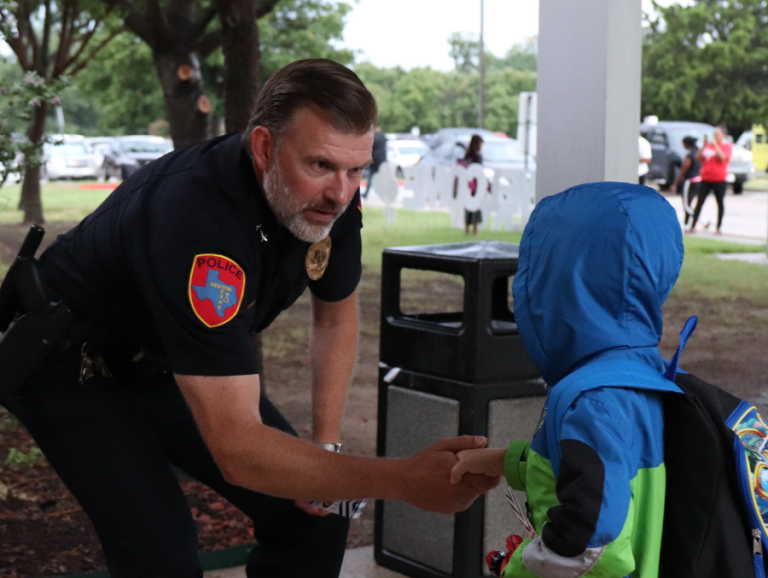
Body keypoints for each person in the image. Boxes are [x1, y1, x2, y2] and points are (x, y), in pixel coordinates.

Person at [0, 59, 498, 578]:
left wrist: (327, 452)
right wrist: (399, 480)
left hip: (169, 358)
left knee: (317, 517)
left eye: (358, 169)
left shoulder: (335, 202)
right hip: (70, 363)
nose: (342, 193)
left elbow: (335, 316)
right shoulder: (197, 220)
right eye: (321, 166)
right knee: (161, 550)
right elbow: (238, 447)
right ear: (264, 148)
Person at [450, 182, 683, 577]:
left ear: (554, 279)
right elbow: (597, 468)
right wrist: (501, 462)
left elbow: (594, 543)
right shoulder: (643, 374)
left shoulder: (595, 400)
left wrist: (518, 567)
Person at [688, 125, 732, 234]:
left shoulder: (726, 146)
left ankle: (719, 227)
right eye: (714, 134)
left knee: (720, 203)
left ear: (723, 135)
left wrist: (716, 145)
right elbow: (699, 158)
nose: (715, 136)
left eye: (717, 134)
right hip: (706, 179)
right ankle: (692, 225)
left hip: (719, 179)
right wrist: (704, 145)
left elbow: (722, 158)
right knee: (699, 202)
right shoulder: (707, 146)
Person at [670, 135, 705, 228]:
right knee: (689, 202)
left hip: (689, 181)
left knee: (686, 205)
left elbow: (684, 170)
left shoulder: (689, 156)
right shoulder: (698, 153)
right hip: (698, 180)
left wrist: (675, 184)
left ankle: (702, 220)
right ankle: (686, 223)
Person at [461, 134, 484, 236]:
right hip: (475, 185)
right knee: (475, 207)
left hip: (468, 184)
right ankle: (474, 229)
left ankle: (467, 228)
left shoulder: (467, 155)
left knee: (467, 207)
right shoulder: (477, 156)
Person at [363, 123, 387, 198]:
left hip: (374, 160)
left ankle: (366, 193)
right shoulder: (383, 136)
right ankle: (385, 195)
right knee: (383, 178)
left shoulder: (373, 137)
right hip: (382, 160)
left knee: (370, 177)